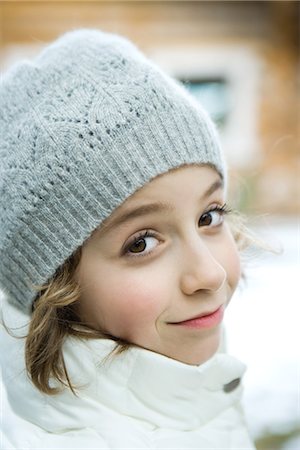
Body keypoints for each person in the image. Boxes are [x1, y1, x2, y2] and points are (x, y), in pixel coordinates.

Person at [0, 29, 255, 449]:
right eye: (141, 243)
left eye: (209, 216)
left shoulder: (193, 402)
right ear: (55, 290)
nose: (208, 274)